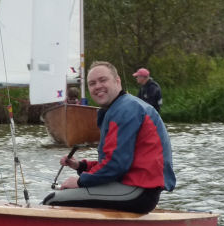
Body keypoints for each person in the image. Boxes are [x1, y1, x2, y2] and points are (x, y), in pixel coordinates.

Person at [42, 61, 176, 213]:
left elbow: (116, 166)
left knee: (52, 200)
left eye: (103, 80)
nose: (97, 86)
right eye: (92, 83)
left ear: (117, 81)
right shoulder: (122, 107)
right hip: (136, 188)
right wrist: (82, 166)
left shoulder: (125, 110)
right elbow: (115, 163)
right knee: (68, 195)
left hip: (139, 192)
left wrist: (80, 181)